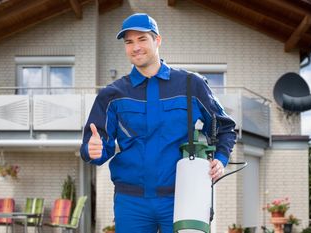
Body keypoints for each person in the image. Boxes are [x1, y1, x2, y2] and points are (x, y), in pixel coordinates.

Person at [80, 13, 236, 233]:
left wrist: (220, 159)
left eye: (142, 39)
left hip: (183, 197)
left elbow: (226, 128)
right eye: (129, 42)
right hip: (131, 202)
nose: (135, 47)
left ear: (157, 40)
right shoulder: (112, 95)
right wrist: (93, 150)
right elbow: (96, 146)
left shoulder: (191, 85)